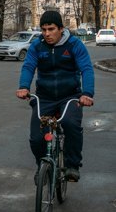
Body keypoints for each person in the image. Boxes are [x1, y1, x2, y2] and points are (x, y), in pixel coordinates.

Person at [16, 11, 94, 183]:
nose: (47, 34)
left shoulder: (74, 45)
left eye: (51, 29)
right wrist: (23, 87)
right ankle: (43, 165)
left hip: (70, 96)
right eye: (43, 30)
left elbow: (86, 69)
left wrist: (87, 94)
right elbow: (28, 66)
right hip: (44, 97)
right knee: (37, 137)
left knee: (70, 124)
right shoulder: (37, 46)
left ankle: (72, 165)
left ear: (61, 29)